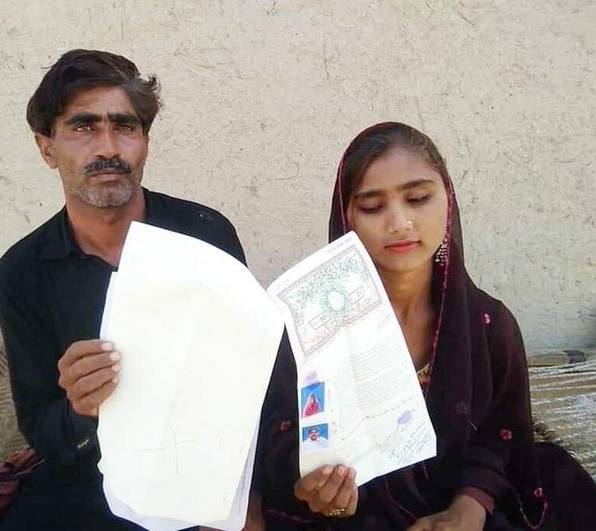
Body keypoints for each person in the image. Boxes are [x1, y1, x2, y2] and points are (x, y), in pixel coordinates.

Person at [253, 122, 596, 530]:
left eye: (417, 199)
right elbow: (280, 438)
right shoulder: (305, 329)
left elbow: (500, 436)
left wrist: (470, 507)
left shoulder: (488, 326)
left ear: (447, 201)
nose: (399, 222)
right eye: (373, 206)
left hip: (459, 500)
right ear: (346, 219)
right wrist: (318, 489)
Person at [0, 49, 246, 531]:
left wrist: (237, 497)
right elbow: (43, 429)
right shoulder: (22, 273)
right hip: (96, 481)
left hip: (209, 469)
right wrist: (82, 408)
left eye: (125, 126)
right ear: (47, 148)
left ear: (145, 141)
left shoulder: (205, 233)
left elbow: (250, 377)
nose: (107, 147)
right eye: (83, 127)